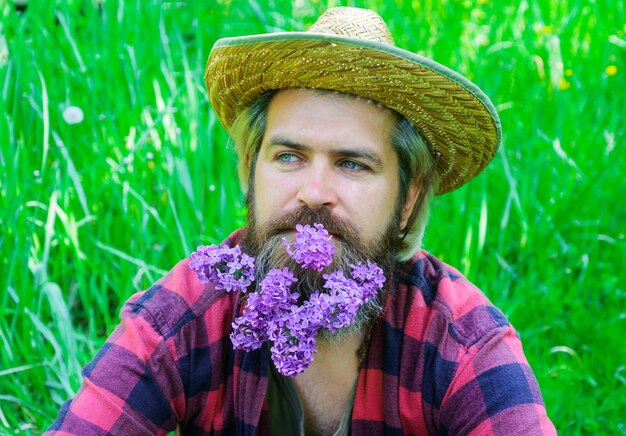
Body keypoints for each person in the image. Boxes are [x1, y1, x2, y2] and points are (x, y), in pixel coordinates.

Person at [48, 7, 556, 435]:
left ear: (407, 199)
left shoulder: (463, 344)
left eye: (352, 164)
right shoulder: (183, 316)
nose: (313, 193)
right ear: (251, 172)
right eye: (289, 156)